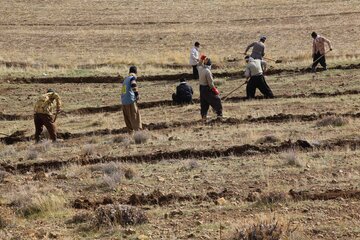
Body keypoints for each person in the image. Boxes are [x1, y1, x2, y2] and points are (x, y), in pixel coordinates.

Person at [198, 55, 223, 120]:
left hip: (201, 88)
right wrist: (214, 89)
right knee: (217, 100)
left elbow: (199, 64)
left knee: (204, 103)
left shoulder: (201, 69)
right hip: (207, 88)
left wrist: (202, 59)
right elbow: (210, 83)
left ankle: (204, 116)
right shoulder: (208, 71)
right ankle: (219, 115)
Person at [121, 66, 142, 133]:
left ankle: (130, 135)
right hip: (130, 101)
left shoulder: (125, 79)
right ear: (135, 72)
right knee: (135, 117)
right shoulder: (132, 78)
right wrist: (137, 95)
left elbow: (124, 91)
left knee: (128, 120)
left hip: (124, 102)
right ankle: (139, 134)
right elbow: (133, 85)